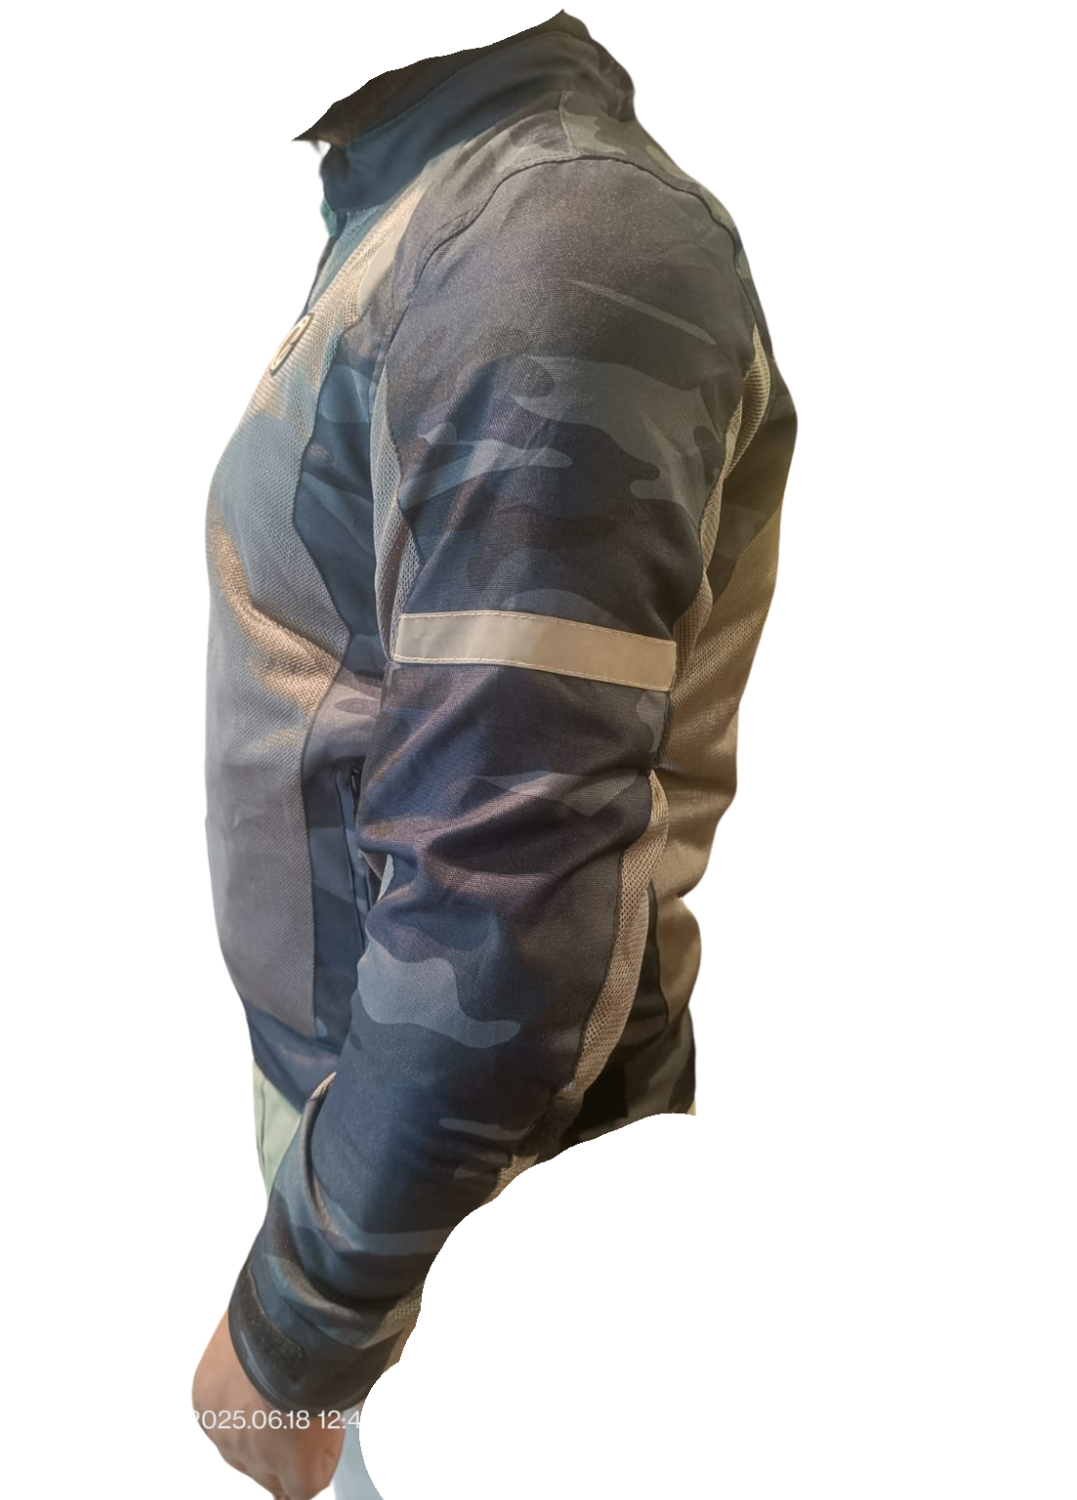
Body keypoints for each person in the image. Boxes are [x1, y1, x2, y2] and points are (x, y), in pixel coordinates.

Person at [191, 10, 797, 1496]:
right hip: (387, 1150)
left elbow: (508, 893)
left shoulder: (552, 235)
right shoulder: (435, 201)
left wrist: (297, 1330)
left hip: (475, 1233)